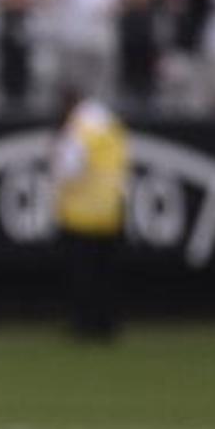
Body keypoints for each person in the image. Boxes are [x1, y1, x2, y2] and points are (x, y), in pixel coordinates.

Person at [51, 87, 129, 343]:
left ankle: (85, 325)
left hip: (82, 214)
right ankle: (107, 324)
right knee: (107, 274)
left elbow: (68, 169)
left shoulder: (79, 129)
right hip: (111, 210)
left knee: (83, 275)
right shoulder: (112, 124)